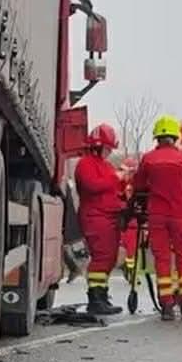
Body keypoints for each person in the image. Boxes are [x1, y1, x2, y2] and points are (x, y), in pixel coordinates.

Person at [134, 115, 182, 321]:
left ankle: (167, 306)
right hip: (180, 214)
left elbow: (139, 185)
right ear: (175, 137)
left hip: (157, 215)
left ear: (157, 137)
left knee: (162, 260)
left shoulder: (148, 158)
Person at [74, 124, 123, 315]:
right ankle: (95, 298)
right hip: (95, 217)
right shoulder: (85, 164)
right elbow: (92, 186)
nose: (110, 152)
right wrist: (116, 178)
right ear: (98, 146)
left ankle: (102, 295)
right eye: (108, 148)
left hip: (109, 217)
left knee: (109, 258)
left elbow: (114, 191)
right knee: (101, 258)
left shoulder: (105, 165)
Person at [118, 157, 140, 281]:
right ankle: (128, 268)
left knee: (132, 249)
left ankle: (131, 270)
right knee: (124, 246)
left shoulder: (137, 184)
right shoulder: (119, 183)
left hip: (133, 221)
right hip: (122, 219)